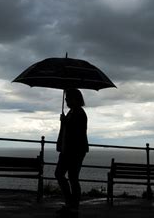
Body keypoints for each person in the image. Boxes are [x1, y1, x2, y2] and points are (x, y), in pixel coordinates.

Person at [55, 88, 89, 217]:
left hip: (74, 150)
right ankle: (71, 204)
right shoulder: (73, 112)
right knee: (64, 176)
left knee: (72, 178)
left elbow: (77, 133)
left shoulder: (79, 113)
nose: (66, 100)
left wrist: (65, 123)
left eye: (68, 97)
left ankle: (72, 205)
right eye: (66, 98)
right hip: (68, 150)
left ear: (75, 99)